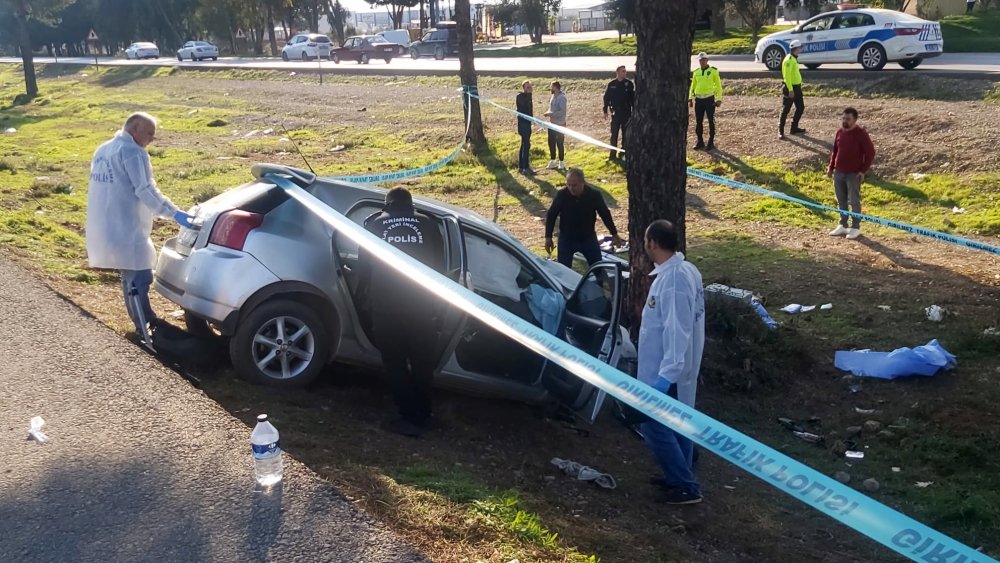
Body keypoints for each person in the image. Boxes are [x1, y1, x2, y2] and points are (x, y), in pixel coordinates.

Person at [86, 112, 194, 348]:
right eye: (149, 134)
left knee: (131, 274)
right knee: (138, 277)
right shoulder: (133, 152)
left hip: (106, 221)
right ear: (134, 128)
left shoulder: (104, 149)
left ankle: (146, 320)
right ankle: (143, 328)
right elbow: (145, 189)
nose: (151, 140)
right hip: (127, 223)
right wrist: (173, 213)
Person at [361, 187, 445, 438]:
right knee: (422, 361)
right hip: (421, 304)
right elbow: (439, 265)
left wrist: (366, 293)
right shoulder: (428, 224)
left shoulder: (375, 224)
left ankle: (406, 415)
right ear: (411, 205)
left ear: (387, 205)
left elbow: (363, 265)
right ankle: (423, 413)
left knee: (395, 361)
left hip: (386, 306)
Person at [638, 220, 705, 505]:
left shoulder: (675, 280)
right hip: (674, 368)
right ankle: (679, 473)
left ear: (652, 243)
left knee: (654, 424)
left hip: (669, 371)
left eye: (645, 241)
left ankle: (685, 485)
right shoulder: (684, 271)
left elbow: (677, 331)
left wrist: (665, 377)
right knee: (680, 423)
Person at [544, 168, 622, 267]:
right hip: (567, 238)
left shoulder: (594, 195)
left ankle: (600, 282)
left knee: (598, 268)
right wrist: (548, 237)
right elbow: (551, 215)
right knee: (563, 270)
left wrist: (614, 234)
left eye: (574, 185)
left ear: (583, 183)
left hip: (588, 238)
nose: (571, 188)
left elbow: (605, 214)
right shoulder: (562, 195)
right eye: (568, 185)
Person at [827, 107, 876, 241]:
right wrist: (831, 167)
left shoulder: (861, 134)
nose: (845, 121)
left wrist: (862, 170)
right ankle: (842, 224)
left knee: (854, 200)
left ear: (855, 120)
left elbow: (870, 153)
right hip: (839, 172)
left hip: (853, 174)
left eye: (848, 119)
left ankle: (855, 227)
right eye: (843, 118)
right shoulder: (839, 132)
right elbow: (835, 151)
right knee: (840, 199)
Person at [688, 52, 723, 151]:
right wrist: (690, 98)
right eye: (700, 60)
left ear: (707, 60)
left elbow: (718, 86)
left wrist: (719, 99)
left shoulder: (713, 71)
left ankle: (711, 142)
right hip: (699, 99)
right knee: (698, 121)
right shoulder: (696, 72)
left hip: (709, 99)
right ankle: (700, 141)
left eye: (703, 60)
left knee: (711, 120)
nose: (702, 62)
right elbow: (693, 86)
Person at [603, 65, 634, 161]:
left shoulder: (628, 84)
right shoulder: (612, 84)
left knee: (626, 134)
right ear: (617, 72)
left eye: (625, 71)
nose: (625, 73)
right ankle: (612, 155)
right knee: (614, 134)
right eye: (622, 71)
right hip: (616, 113)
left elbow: (632, 98)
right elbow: (606, 98)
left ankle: (623, 154)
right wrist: (605, 110)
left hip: (626, 113)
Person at [779, 40, 806, 139]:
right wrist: (790, 90)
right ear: (796, 48)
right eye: (800, 47)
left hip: (797, 87)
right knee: (785, 110)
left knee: (800, 107)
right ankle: (781, 131)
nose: (801, 49)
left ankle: (794, 128)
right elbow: (787, 77)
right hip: (791, 88)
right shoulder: (789, 60)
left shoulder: (794, 58)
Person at [543, 81, 567, 171]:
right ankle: (553, 160)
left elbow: (562, 111)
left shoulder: (562, 98)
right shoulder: (553, 96)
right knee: (551, 142)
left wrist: (551, 114)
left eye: (551, 87)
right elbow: (551, 108)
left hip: (560, 124)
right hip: (552, 123)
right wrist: (548, 112)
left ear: (556, 87)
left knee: (560, 143)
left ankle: (561, 162)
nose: (550, 88)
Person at [516, 80, 534, 175]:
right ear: (523, 88)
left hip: (527, 123)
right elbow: (523, 107)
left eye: (530, 87)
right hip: (522, 124)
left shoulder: (529, 97)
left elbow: (530, 111)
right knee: (526, 145)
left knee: (524, 144)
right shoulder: (520, 97)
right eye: (527, 87)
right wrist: (528, 95)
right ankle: (525, 167)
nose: (529, 89)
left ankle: (522, 166)